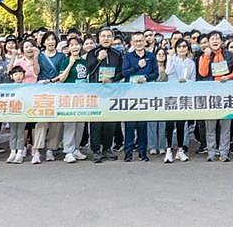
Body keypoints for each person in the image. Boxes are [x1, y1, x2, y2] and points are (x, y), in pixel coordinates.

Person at [198, 30, 233, 162]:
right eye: (212, 39)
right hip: (210, 95)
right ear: (208, 42)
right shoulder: (203, 56)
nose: (215, 41)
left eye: (217, 39)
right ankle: (211, 152)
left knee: (226, 127)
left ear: (222, 41)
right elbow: (203, 73)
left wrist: (227, 77)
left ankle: (224, 153)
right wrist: (207, 56)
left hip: (226, 95)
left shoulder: (229, 55)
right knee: (210, 127)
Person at [86, 27, 124, 163]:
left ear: (112, 39)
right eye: (103, 36)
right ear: (98, 38)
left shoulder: (117, 54)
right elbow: (89, 70)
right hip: (96, 93)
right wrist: (98, 59)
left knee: (110, 122)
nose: (106, 38)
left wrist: (112, 79)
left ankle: (107, 148)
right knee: (96, 123)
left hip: (111, 92)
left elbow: (121, 72)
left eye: (109, 36)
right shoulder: (92, 53)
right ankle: (96, 150)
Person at [122, 31, 158, 161]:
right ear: (132, 43)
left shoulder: (151, 56)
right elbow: (124, 73)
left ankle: (143, 153)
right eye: (136, 41)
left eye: (141, 41)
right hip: (131, 94)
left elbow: (156, 73)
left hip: (145, 94)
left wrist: (146, 78)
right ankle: (128, 153)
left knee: (143, 125)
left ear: (144, 42)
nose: (138, 43)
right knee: (130, 125)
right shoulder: (128, 56)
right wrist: (137, 67)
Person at [53, 37, 89, 163]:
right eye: (72, 45)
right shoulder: (65, 61)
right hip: (69, 97)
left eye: (77, 44)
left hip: (82, 97)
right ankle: (68, 151)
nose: (75, 47)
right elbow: (61, 79)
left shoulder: (84, 61)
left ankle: (76, 149)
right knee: (70, 124)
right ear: (68, 48)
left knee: (80, 125)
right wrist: (70, 64)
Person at [31, 32, 63, 164]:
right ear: (43, 42)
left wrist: (51, 81)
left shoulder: (61, 56)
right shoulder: (40, 55)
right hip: (42, 91)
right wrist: (35, 57)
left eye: (53, 39)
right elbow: (37, 72)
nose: (51, 42)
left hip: (56, 89)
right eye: (48, 40)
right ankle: (37, 150)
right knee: (41, 121)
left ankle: (51, 148)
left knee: (56, 121)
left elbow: (62, 74)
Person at [164, 39, 196, 163]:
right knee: (170, 123)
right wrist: (171, 58)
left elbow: (193, 80)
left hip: (184, 95)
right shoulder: (172, 59)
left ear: (188, 48)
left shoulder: (191, 63)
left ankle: (180, 150)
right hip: (171, 94)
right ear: (176, 48)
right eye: (179, 46)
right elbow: (168, 72)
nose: (182, 48)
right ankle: (168, 150)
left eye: (184, 46)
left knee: (181, 124)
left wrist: (186, 81)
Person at [147, 48, 168, 156]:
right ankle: (152, 146)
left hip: (164, 98)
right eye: (159, 54)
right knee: (152, 123)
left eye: (163, 54)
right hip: (152, 97)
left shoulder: (169, 67)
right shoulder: (151, 67)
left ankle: (162, 146)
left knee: (162, 124)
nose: (161, 55)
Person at [5, 66, 28, 164]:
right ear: (11, 76)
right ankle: (13, 152)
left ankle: (20, 152)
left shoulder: (26, 87)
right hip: (12, 113)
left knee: (20, 133)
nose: (18, 76)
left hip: (23, 113)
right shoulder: (9, 88)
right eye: (16, 74)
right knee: (13, 132)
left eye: (21, 74)